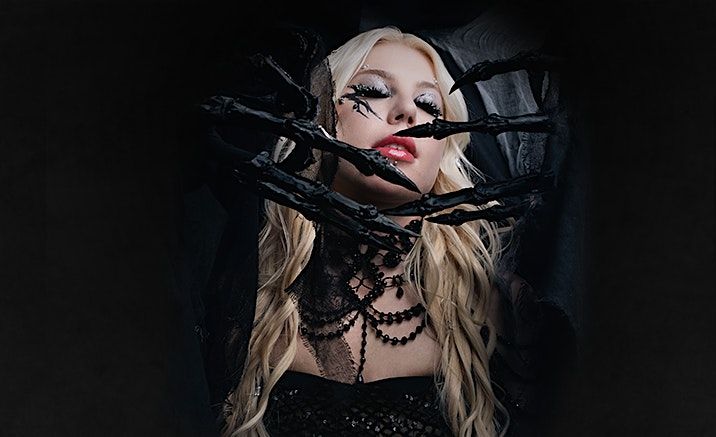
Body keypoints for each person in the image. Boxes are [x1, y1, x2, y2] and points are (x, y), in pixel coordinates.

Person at [210, 26, 560, 437]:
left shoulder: (497, 304)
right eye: (373, 91)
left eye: (429, 105)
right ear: (320, 117)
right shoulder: (246, 283)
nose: (408, 113)